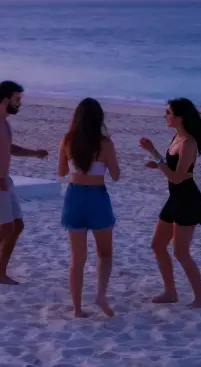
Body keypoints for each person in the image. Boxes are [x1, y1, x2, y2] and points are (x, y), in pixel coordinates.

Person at [140, 98, 201, 309]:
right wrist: (158, 164)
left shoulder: (188, 143)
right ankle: (170, 292)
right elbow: (172, 169)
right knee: (157, 245)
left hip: (187, 200)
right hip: (175, 198)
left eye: (168, 112)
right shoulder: (178, 137)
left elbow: (177, 177)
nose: (165, 116)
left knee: (181, 252)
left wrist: (155, 154)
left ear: (180, 117)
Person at [0, 80, 48, 285]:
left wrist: (34, 153)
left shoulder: (4, 122)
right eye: (17, 99)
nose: (19, 103)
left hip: (6, 181)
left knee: (17, 225)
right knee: (5, 228)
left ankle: (0, 273)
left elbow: (8, 147)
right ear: (6, 100)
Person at [58, 98, 120, 318]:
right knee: (104, 253)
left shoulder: (67, 140)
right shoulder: (105, 143)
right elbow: (115, 175)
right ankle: (100, 295)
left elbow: (62, 172)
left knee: (77, 258)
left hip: (74, 196)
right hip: (96, 197)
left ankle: (76, 308)